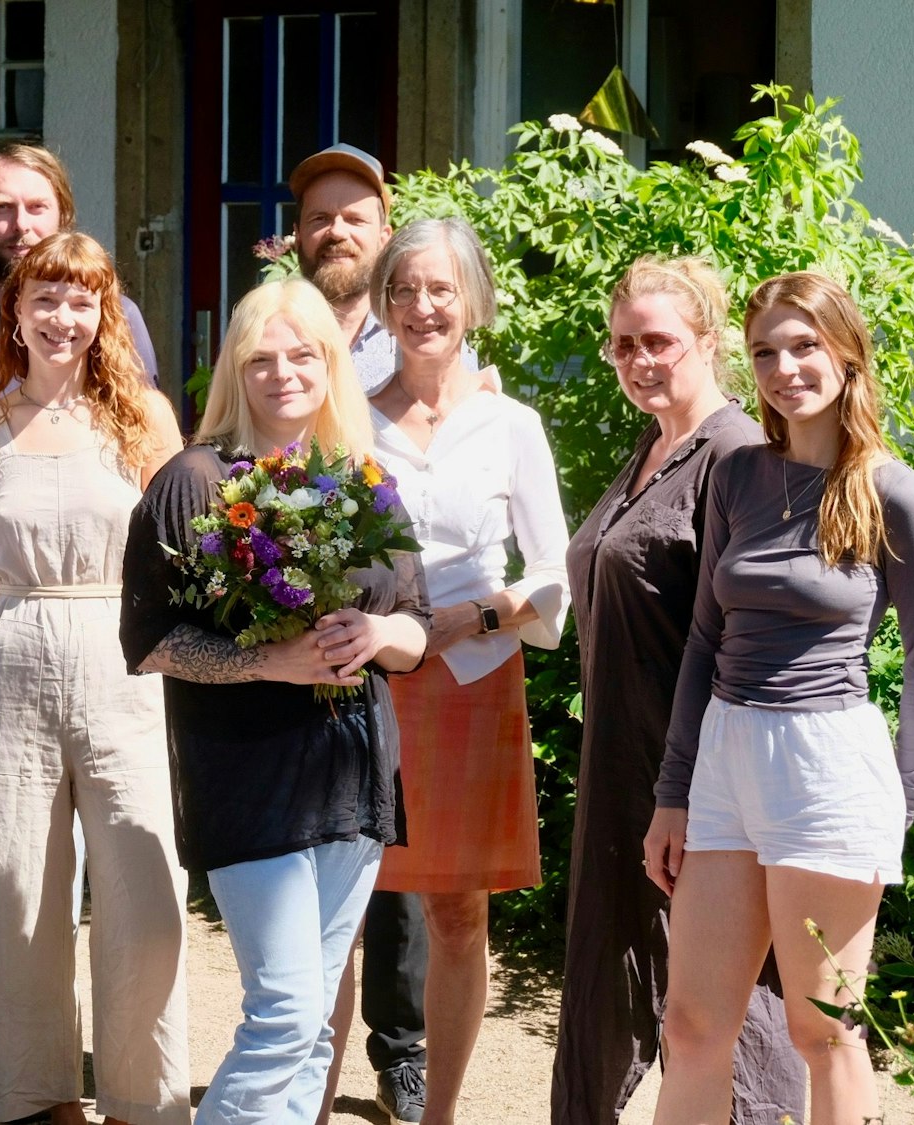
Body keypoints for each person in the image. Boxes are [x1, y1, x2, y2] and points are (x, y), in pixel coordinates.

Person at [645, 272, 914, 1124]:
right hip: (725, 756)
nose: (784, 369)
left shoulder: (893, 491)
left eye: (804, 346)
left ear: (847, 353)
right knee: (693, 1023)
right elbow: (704, 641)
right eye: (764, 353)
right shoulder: (738, 473)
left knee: (825, 1031)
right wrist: (673, 792)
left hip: (827, 764)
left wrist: (898, 804)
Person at [121, 279, 431, 1122]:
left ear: (331, 365)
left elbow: (417, 627)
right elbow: (151, 641)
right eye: (261, 358)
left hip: (354, 777)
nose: (283, 372)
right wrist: (271, 662)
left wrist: (376, 634)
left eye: (303, 355)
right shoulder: (194, 480)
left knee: (315, 1025)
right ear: (235, 369)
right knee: (285, 1013)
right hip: (248, 780)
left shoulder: (363, 478)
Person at [0, 148, 162, 1079]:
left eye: (36, 205)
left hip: (107, 641)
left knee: (111, 871)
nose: (18, 222)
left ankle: (119, 1076)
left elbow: (152, 508)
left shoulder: (130, 372)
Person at [552, 257, 806, 1123]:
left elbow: (746, 637)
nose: (638, 360)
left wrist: (690, 790)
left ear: (708, 340)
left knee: (731, 1005)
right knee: (614, 978)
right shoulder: (651, 448)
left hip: (700, 780)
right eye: (623, 344)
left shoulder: (736, 455)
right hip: (620, 765)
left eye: (658, 341)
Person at [0, 231, 188, 1125]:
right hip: (14, 655)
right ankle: (34, 1096)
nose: (62, 316)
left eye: (81, 299)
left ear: (105, 313)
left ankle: (141, 1097)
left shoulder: (145, 418)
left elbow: (176, 555)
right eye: (44, 297)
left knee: (143, 886)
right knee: (18, 887)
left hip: (126, 657)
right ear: (14, 309)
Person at [365, 217, 570, 1125]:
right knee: (339, 916)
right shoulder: (348, 417)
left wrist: (471, 617)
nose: (423, 306)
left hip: (473, 683)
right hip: (363, 684)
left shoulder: (511, 424)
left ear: (474, 299)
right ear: (383, 304)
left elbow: (557, 569)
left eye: (441, 288)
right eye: (405, 289)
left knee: (457, 916)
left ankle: (440, 1115)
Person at [288, 142, 441, 1125]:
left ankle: (402, 1050)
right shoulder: (279, 326)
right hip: (296, 627)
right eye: (319, 217)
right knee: (317, 851)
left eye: (354, 216)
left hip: (402, 619)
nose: (335, 231)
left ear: (384, 231)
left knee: (400, 860)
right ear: (297, 235)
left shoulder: (417, 332)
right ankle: (303, 1054)